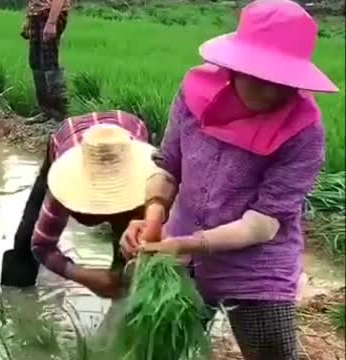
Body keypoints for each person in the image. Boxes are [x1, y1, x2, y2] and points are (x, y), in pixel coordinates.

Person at [120, 1, 339, 359]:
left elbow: (263, 223)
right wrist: (155, 216)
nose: (268, 90)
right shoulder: (195, 94)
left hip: (258, 266)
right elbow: (167, 165)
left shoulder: (304, 130)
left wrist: (188, 244)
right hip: (180, 245)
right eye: (256, 74)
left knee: (272, 354)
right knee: (156, 347)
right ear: (234, 66)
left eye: (280, 80)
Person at [0, 111, 159, 298]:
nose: (108, 206)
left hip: (125, 136)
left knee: (130, 246)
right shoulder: (65, 181)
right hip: (68, 138)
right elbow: (42, 245)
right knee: (27, 235)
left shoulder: (147, 182)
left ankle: (122, 301)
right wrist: (81, 275)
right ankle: (15, 302)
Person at [21, 0, 70, 124]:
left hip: (49, 14)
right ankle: (45, 111)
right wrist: (29, 19)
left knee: (49, 62)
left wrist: (52, 22)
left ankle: (59, 114)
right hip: (36, 15)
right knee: (35, 62)